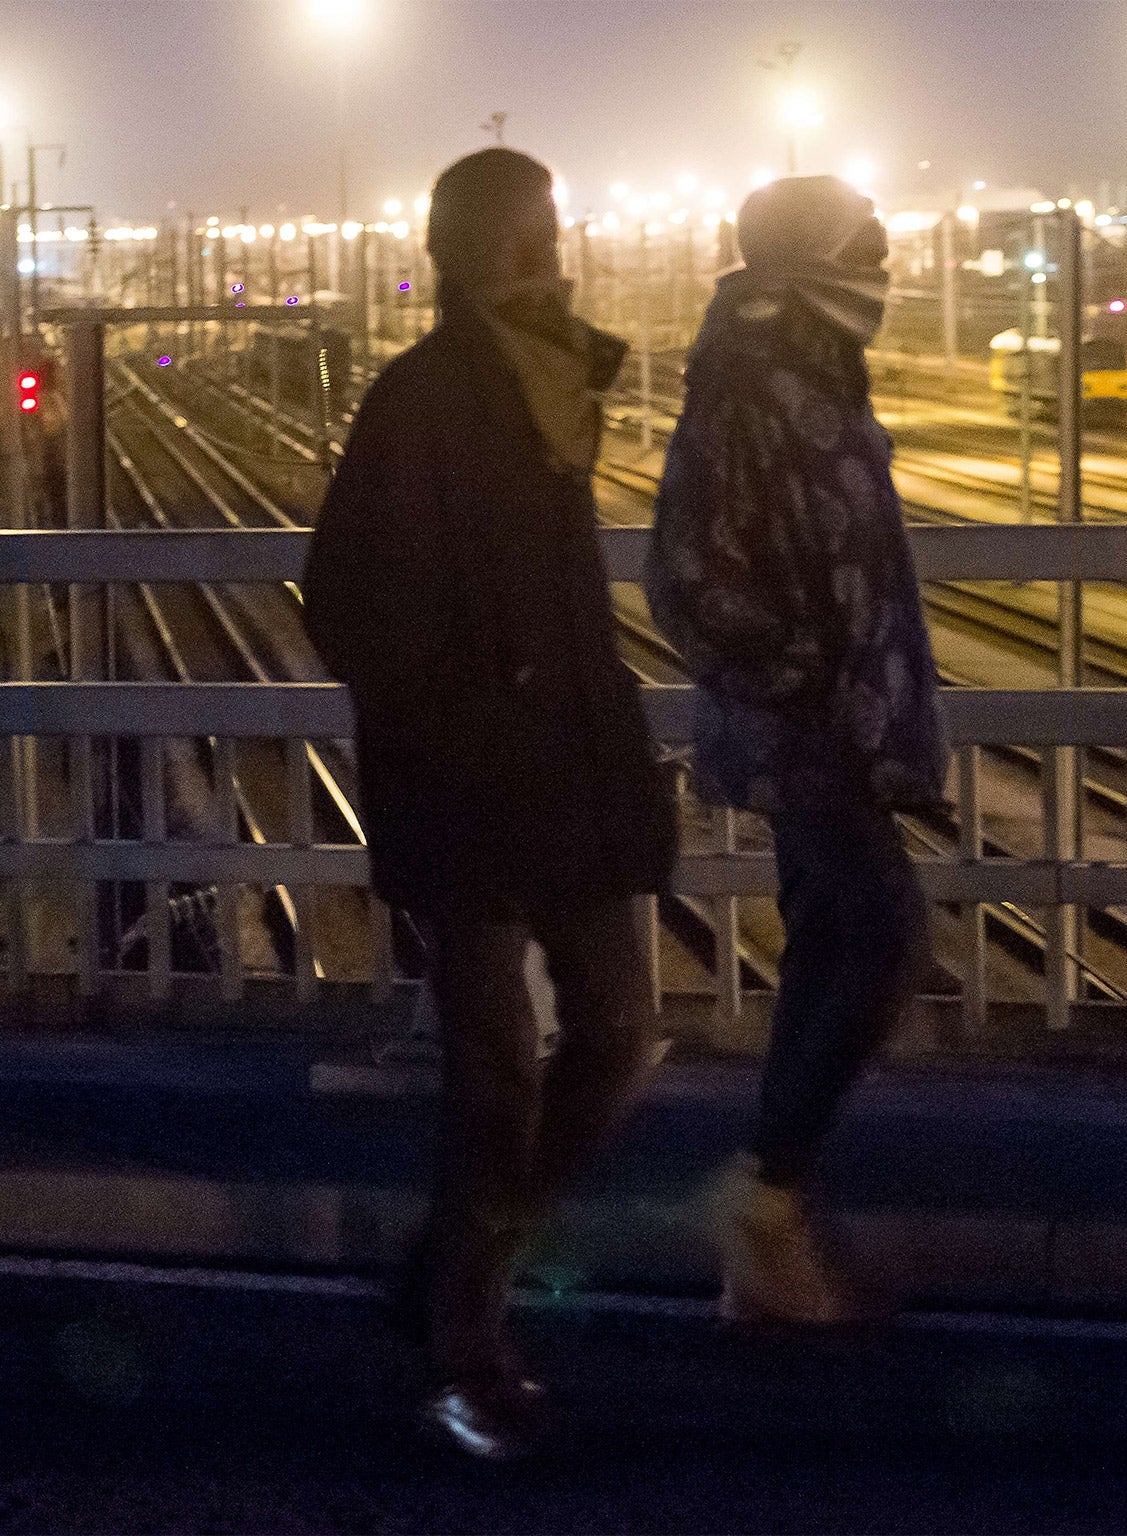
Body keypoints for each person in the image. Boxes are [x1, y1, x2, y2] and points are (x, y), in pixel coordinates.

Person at [303, 147, 678, 1460]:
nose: (556, 248)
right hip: (475, 800)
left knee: (620, 1035)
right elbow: (347, 603)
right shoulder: (422, 400)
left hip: (568, 784)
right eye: (540, 230)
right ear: (493, 249)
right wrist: (474, 720)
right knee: (494, 1077)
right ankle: (469, 1340)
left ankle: (460, 1273)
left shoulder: (553, 385)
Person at [645, 175, 945, 1327]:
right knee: (884, 938)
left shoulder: (813, 367)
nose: (881, 252)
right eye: (858, 236)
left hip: (843, 729)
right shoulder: (746, 380)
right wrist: (803, 675)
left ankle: (766, 1249)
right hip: (807, 731)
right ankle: (763, 1193)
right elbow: (685, 571)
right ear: (812, 256)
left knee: (833, 946)